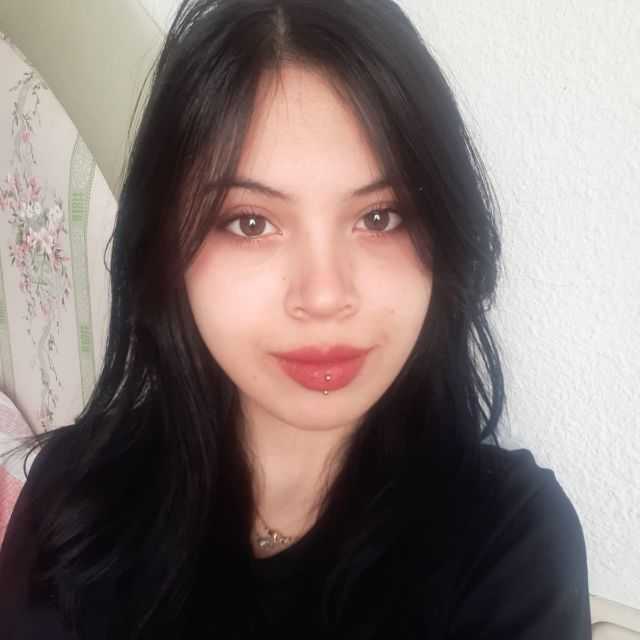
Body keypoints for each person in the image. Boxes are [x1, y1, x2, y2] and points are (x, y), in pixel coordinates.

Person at [0, 0, 592, 638]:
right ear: (167, 251)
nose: (324, 295)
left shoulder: (508, 541)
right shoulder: (74, 498)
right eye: (251, 222)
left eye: (380, 217)